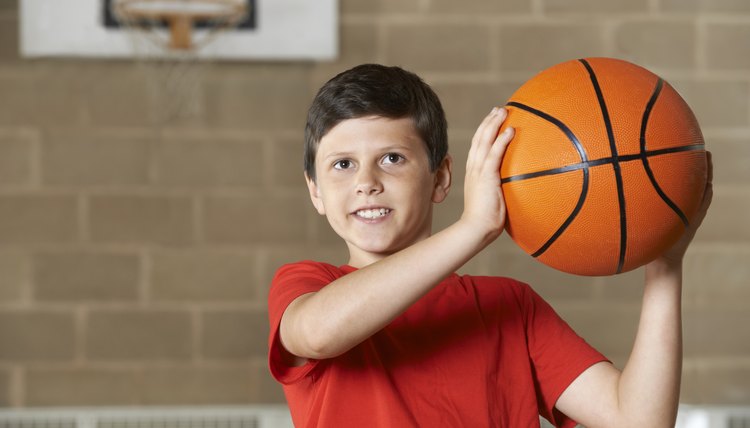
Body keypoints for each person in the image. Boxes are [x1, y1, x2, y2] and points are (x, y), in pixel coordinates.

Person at [267, 63, 713, 427]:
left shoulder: (510, 307)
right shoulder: (308, 286)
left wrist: (665, 264)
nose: (367, 183)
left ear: (440, 178)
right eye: (342, 164)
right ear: (316, 193)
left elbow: (639, 422)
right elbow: (320, 334)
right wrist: (473, 227)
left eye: (392, 159)